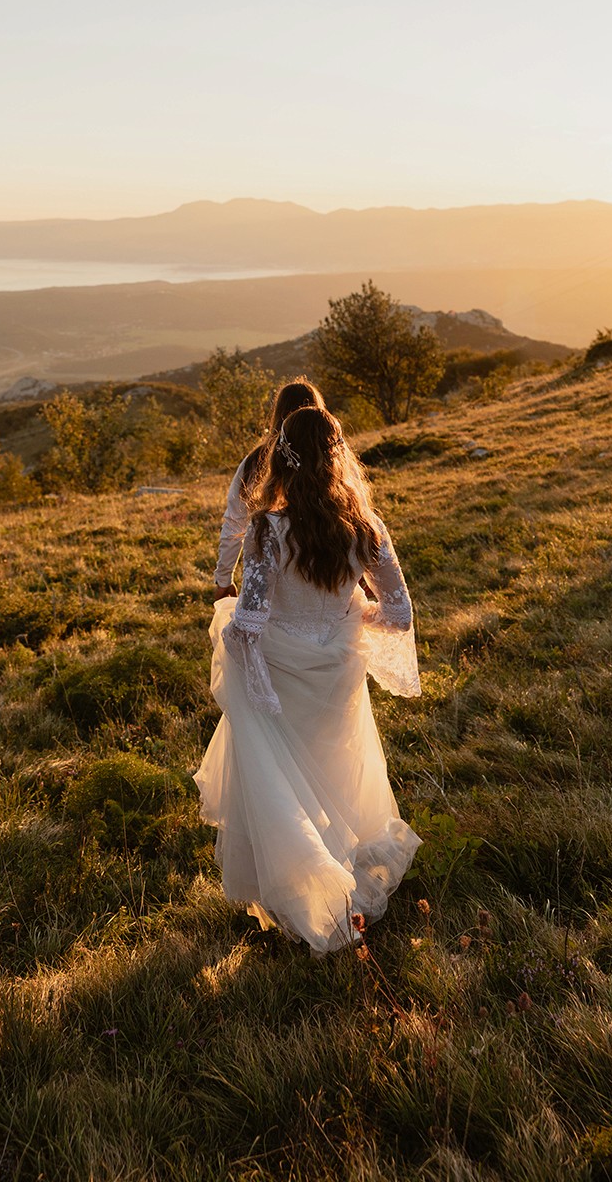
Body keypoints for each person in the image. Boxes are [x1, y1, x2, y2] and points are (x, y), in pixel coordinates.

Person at [195, 406, 422, 954]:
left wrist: (232, 642)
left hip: (281, 673)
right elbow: (399, 613)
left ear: (282, 458)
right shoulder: (365, 526)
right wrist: (351, 615)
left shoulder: (268, 531)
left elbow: (248, 624)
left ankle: (304, 890)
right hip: (337, 669)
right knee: (338, 770)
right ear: (337, 456)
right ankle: (343, 881)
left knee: (284, 781)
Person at [212, 380, 327, 602]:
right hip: (329, 572)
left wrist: (224, 580)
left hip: (275, 576)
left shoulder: (255, 462)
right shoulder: (333, 460)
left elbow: (234, 523)